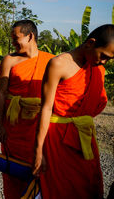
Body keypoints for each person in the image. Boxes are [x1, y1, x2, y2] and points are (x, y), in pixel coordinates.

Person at [33, 24, 114, 199]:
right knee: (60, 188)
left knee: (87, 186)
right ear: (90, 43)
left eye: (108, 60)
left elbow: (99, 102)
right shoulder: (59, 64)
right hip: (57, 138)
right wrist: (38, 150)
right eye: (103, 56)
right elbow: (46, 108)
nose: (103, 62)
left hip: (84, 136)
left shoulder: (98, 69)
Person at [0, 20, 54, 198]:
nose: (12, 42)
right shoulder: (9, 60)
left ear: (30, 36)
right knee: (12, 169)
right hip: (14, 125)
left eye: (16, 38)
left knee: (40, 169)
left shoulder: (51, 61)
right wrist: (0, 125)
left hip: (40, 125)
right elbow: (1, 94)